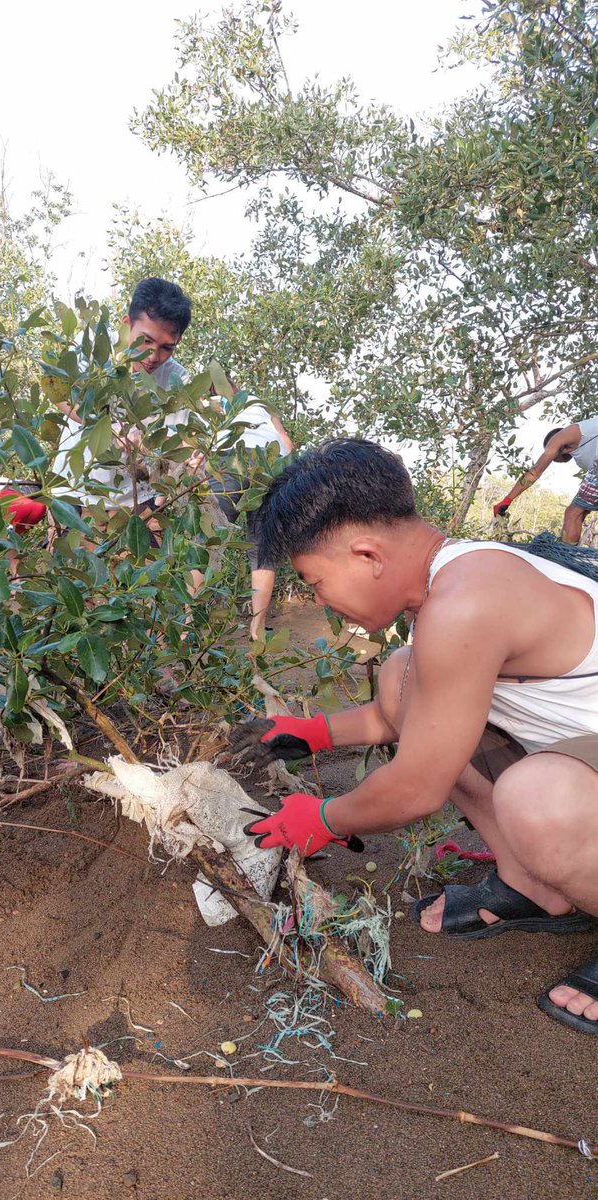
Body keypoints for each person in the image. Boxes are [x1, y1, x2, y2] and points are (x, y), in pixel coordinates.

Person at [232, 439, 598, 1035]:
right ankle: (533, 887)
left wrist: (324, 817)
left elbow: (419, 787)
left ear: (367, 553)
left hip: (574, 765)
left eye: (315, 581)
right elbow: (406, 712)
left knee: (539, 800)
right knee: (404, 673)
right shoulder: (446, 583)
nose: (320, 600)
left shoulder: (466, 601)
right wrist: (312, 732)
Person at [50, 277, 192, 515]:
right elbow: (59, 391)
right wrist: (104, 426)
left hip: (136, 501)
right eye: (146, 341)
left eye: (167, 347)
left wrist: (150, 450)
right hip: (73, 493)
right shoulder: (96, 350)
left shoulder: (177, 379)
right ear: (126, 324)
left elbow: (177, 445)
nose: (153, 356)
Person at [207, 379, 293, 640]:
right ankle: (258, 627)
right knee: (263, 548)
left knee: (206, 541)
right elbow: (287, 444)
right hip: (269, 462)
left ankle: (187, 621)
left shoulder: (210, 404)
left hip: (229, 460)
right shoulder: (261, 404)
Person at [493, 417, 598, 544]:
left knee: (573, 513)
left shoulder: (562, 436)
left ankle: (565, 559)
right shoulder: (583, 453)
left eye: (553, 457)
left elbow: (534, 472)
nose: (554, 459)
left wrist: (507, 500)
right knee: (581, 510)